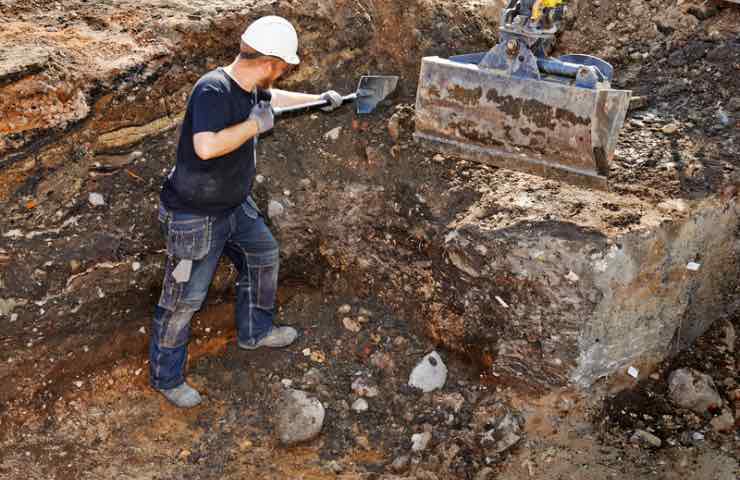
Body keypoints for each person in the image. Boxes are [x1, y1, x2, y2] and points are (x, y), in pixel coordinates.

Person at [149, 16, 343, 408]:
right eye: (283, 67)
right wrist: (253, 128)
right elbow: (205, 147)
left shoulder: (252, 87)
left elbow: (274, 101)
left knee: (263, 255)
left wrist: (320, 99)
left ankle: (255, 331)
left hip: (234, 206)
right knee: (184, 298)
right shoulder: (213, 90)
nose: (283, 73)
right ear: (270, 61)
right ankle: (166, 378)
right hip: (195, 217)